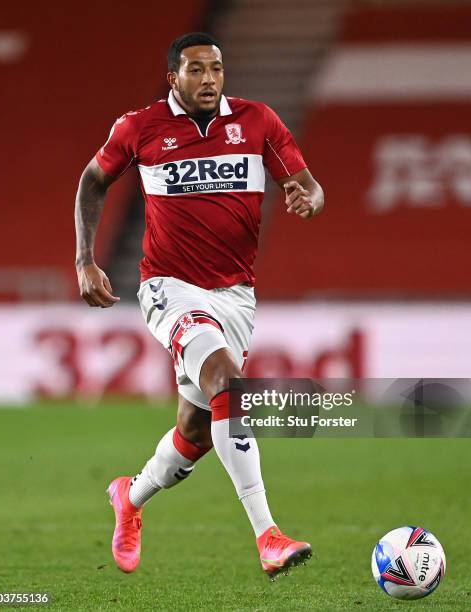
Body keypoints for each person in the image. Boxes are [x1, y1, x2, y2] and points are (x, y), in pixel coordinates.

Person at [74, 32, 324, 580]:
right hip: (169, 287)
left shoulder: (258, 121)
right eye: (196, 70)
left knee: (194, 429)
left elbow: (309, 184)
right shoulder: (139, 127)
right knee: (228, 386)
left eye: (216, 68)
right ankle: (268, 535)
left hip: (235, 294)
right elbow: (94, 180)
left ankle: (130, 497)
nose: (208, 78)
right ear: (174, 78)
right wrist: (85, 259)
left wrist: (308, 197)